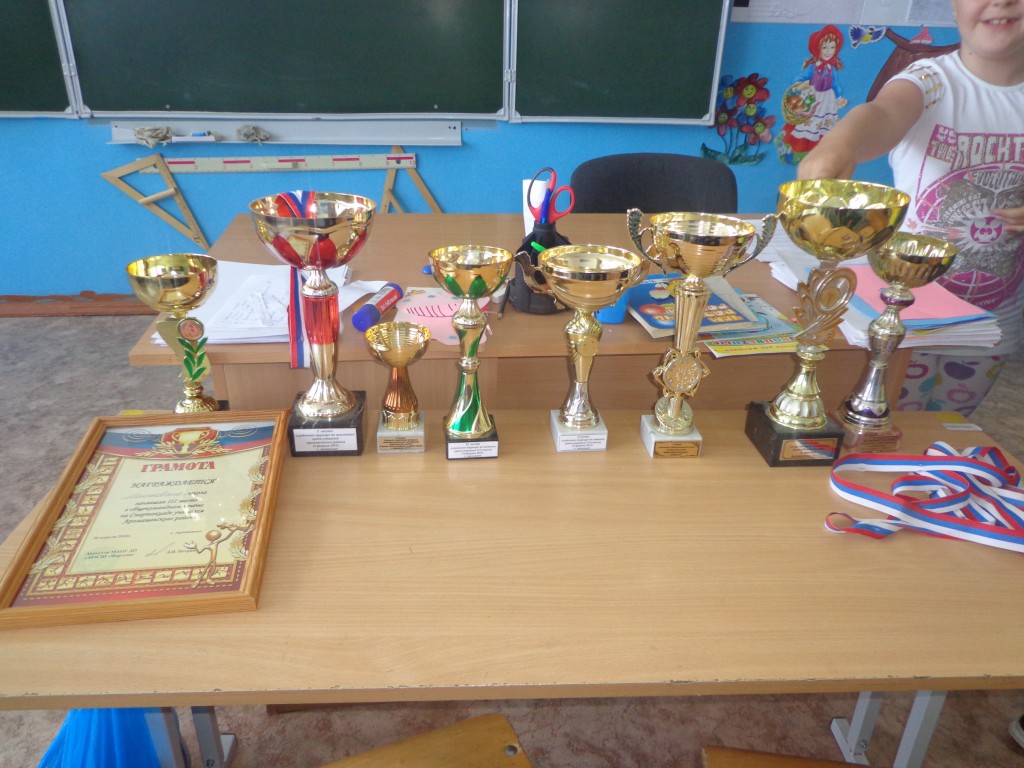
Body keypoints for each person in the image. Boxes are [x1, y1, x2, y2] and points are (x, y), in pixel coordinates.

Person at [796, 0, 1024, 417]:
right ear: (954, 7)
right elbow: (881, 114)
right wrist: (839, 146)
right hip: (904, 320)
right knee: (878, 425)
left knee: (945, 428)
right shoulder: (930, 80)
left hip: (990, 324)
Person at [778, 24, 849, 164]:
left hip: (827, 99)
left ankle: (820, 154)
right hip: (813, 97)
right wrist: (798, 85)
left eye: (832, 47)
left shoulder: (831, 68)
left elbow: (835, 84)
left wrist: (839, 97)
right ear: (818, 48)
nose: (828, 51)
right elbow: (800, 77)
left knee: (824, 126)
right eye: (825, 47)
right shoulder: (813, 66)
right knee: (806, 126)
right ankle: (791, 151)